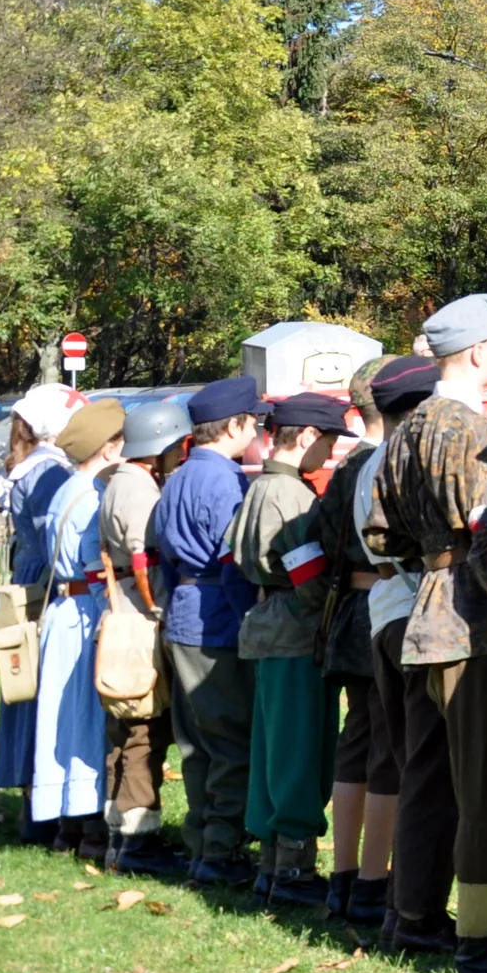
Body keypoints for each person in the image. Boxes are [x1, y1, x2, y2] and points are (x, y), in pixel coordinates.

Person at [367, 293, 487, 973]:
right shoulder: (477, 434)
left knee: (465, 785)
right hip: (477, 628)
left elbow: (382, 534)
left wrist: (432, 561)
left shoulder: (409, 428)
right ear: (476, 353)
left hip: (427, 617)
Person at [232, 392, 356, 908]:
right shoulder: (291, 497)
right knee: (300, 752)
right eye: (326, 442)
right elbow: (309, 577)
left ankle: (269, 866)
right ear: (304, 436)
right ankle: (294, 869)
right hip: (296, 633)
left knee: (273, 751)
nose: (327, 454)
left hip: (269, 628)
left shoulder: (262, 486)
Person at [161, 376, 268, 887]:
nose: (258, 429)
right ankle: (219, 853)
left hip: (183, 612)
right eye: (255, 421)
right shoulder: (225, 481)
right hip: (217, 620)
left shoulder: (179, 475)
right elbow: (234, 561)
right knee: (230, 742)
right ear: (236, 426)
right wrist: (250, 616)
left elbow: (162, 554)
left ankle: (202, 840)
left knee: (197, 744)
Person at [305, 358, 401, 922]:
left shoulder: (345, 469)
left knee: (357, 739)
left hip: (348, 611)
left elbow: (319, 538)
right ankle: (369, 882)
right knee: (385, 743)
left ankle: (346, 875)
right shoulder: (380, 464)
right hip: (378, 606)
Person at [346, 357, 437, 930]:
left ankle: (393, 900)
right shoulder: (404, 458)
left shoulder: (371, 462)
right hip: (410, 608)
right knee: (423, 768)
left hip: (386, 610)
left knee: (406, 762)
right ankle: (408, 905)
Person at [96, 398, 191, 878]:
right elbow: (142, 561)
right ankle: (138, 843)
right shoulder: (139, 491)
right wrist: (158, 610)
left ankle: (119, 835)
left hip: (122, 616)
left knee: (125, 732)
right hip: (139, 620)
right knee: (143, 732)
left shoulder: (122, 482)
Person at [29, 399, 125, 862]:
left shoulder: (66, 489)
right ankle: (91, 829)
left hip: (61, 612)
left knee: (62, 720)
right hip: (85, 611)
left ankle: (65, 823)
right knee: (89, 720)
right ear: (108, 449)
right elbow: (95, 567)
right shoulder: (93, 497)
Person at [0, 385, 78, 843]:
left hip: (26, 575)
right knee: (41, 688)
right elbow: (56, 538)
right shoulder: (48, 471)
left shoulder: (31, 463)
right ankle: (41, 810)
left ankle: (36, 805)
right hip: (42, 583)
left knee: (28, 688)